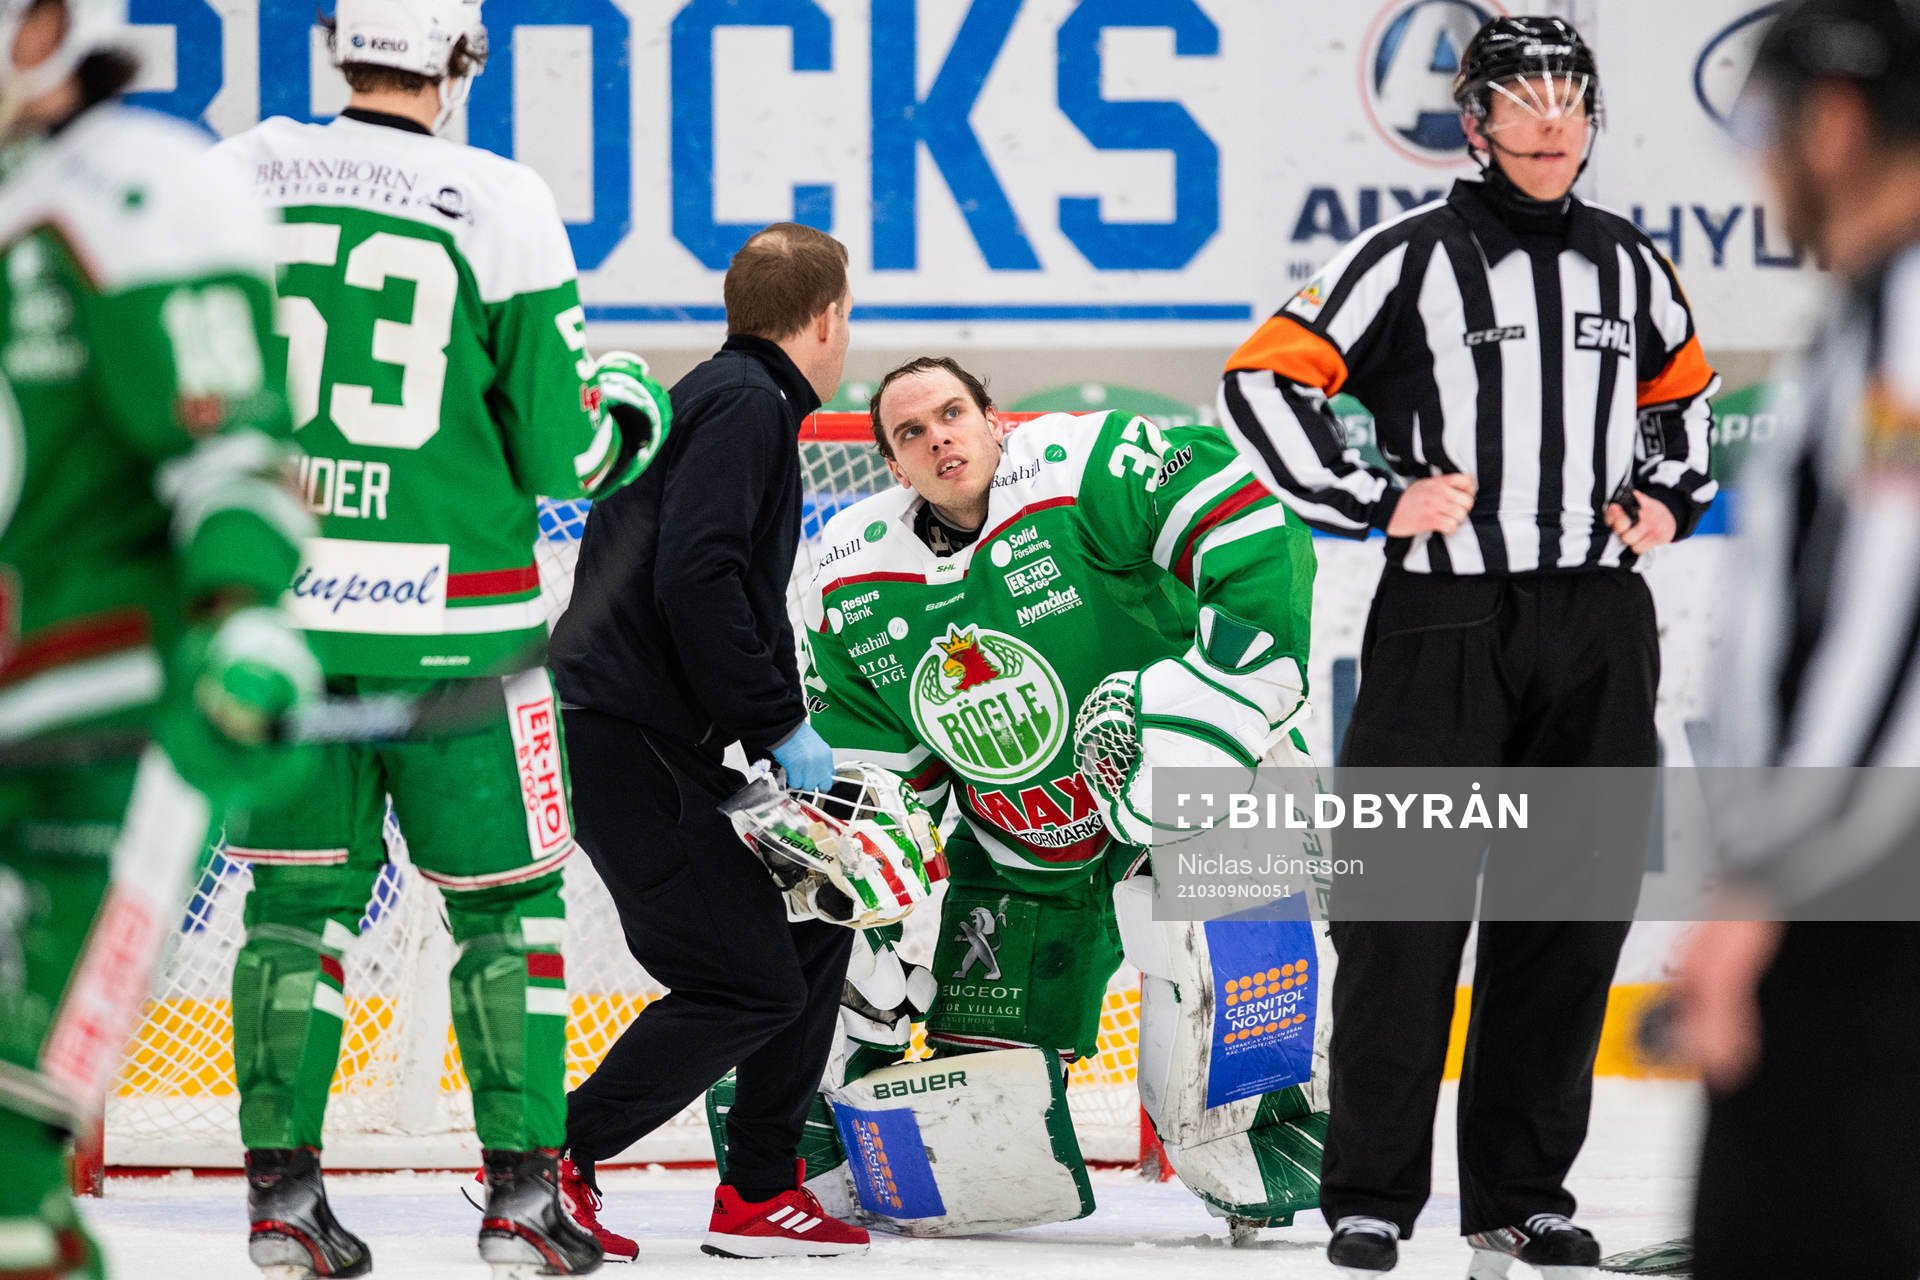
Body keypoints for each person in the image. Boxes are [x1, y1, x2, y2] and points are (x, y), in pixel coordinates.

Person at [1215, 16, 1719, 1277]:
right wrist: (1369, 498)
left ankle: (1523, 1194)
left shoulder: (1631, 263)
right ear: (1475, 120)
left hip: (1599, 624)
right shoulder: (1408, 255)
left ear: (1592, 119)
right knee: (1402, 911)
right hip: (1444, 620)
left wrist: (1670, 497)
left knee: (1568, 916)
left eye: (1570, 98)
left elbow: (1684, 399)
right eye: (1523, 99)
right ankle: (1370, 1196)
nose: (1551, 120)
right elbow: (1263, 378)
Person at [211, 1, 669, 1273]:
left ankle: (282, 1196)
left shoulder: (234, 174)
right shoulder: (500, 199)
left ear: (335, 45)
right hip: (462, 636)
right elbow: (563, 453)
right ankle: (522, 1200)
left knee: (291, 909)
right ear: (462, 62)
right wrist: (631, 405)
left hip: (283, 624)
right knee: (509, 913)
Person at [798, 355, 1331, 1237]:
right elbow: (877, 773)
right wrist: (861, 895)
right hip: (1026, 839)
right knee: (976, 1115)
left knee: (1231, 1061)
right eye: (911, 431)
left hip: (1193, 787)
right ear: (894, 464)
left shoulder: (1086, 467)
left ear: (992, 419)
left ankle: (1261, 1148)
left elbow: (1247, 524)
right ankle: (810, 1143)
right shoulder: (850, 576)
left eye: (952, 413)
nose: (939, 438)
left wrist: (1223, 697)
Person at [0, 0, 321, 1275]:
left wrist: (242, 610)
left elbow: (232, 452)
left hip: (98, 721)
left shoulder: (134, 186)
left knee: (10, 1161)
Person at [545, 222, 869, 1260]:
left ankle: (760, 1191)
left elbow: (721, 586)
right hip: (620, 735)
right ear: (827, 318)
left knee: (815, 917)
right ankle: (546, 1157)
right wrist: (778, 721)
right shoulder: (745, 404)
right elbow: (700, 575)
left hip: (652, 738)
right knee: (746, 980)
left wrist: (768, 730)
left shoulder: (725, 394)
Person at [1673, 3, 1920, 1277]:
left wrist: (1770, 884)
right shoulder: (1868, 312)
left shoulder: (1907, 317)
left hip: (1864, 884)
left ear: (1833, 125)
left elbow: (1887, 622)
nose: (1761, 167)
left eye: (1766, 127)